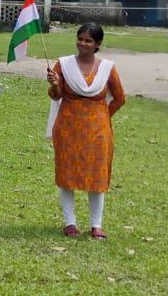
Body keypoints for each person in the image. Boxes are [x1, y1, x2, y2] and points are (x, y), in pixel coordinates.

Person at [47, 23, 126, 240]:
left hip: (98, 129)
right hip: (68, 126)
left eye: (88, 40)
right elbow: (55, 95)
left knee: (97, 174)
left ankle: (96, 224)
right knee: (67, 173)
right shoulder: (62, 65)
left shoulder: (108, 68)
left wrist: (102, 116)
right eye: (80, 39)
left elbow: (120, 98)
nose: (83, 43)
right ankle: (69, 222)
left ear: (97, 44)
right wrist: (54, 84)